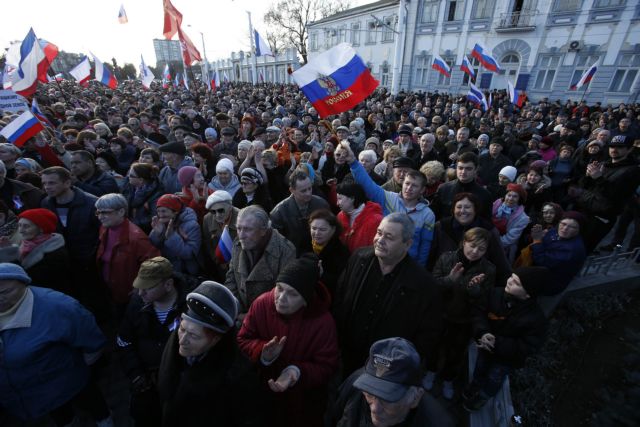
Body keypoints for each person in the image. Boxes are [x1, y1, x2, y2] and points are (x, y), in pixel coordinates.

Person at [0, 263, 111, 426]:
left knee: (91, 402)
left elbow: (89, 335)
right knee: (61, 416)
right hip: (35, 393)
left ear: (24, 284)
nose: (0, 298)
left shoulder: (55, 306)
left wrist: (87, 364)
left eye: (6, 292)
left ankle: (105, 421)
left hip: (68, 380)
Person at [334, 213, 442, 376]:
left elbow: (427, 333)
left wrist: (401, 363)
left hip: (387, 368)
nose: (380, 240)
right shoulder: (358, 258)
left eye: (389, 237)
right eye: (379, 232)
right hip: (348, 354)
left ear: (407, 244)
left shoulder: (424, 285)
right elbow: (341, 297)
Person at [237, 255, 339, 427]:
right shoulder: (262, 303)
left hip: (301, 405)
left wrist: (296, 372)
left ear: (306, 299)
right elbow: (242, 339)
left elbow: (327, 366)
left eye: (292, 294)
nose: (281, 298)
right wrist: (262, 352)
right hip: (261, 396)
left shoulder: (323, 321)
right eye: (279, 288)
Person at [157, 281, 266, 427]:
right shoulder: (174, 347)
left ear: (216, 339)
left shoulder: (237, 377)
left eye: (194, 336)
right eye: (182, 329)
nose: (182, 340)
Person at [464, 267, 549, 411]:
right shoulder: (495, 294)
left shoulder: (535, 320)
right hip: (485, 349)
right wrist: (483, 333)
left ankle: (482, 397)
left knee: (494, 379)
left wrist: (497, 343)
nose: (509, 281)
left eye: (516, 283)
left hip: (505, 360)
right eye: (511, 277)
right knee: (480, 367)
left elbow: (528, 346)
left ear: (528, 294)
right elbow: (479, 312)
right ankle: (475, 385)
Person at [117, 257, 186, 427]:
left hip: (182, 386)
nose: (140, 293)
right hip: (148, 385)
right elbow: (124, 341)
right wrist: (136, 375)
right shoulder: (136, 304)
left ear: (168, 285)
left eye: (147, 288)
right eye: (139, 287)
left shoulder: (190, 305)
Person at [428, 228, 496, 399]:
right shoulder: (446, 258)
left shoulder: (488, 270)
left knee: (456, 353)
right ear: (464, 242)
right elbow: (432, 287)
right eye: (472, 245)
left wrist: (474, 290)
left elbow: (483, 302)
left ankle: (448, 379)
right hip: (441, 314)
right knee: (434, 346)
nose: (475, 252)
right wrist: (449, 280)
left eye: (481, 249)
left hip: (464, 321)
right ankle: (430, 371)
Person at [346, 142, 436, 266]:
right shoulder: (388, 198)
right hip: (382, 258)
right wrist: (353, 162)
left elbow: (425, 245)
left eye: (414, 186)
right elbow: (367, 184)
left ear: (422, 190)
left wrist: (419, 269)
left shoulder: (427, 214)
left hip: (408, 265)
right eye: (407, 184)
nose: (409, 188)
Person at [334, 337, 454, 427]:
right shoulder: (355, 383)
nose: (375, 408)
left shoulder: (439, 423)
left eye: (387, 399)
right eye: (369, 394)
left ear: (416, 397)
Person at [571, 134, 640, 252]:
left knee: (581, 249)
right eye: (612, 146)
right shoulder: (604, 164)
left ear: (629, 149)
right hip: (585, 208)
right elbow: (585, 186)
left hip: (601, 217)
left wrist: (598, 178)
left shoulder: (633, 170)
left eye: (620, 147)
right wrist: (588, 176)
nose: (614, 149)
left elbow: (616, 195)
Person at [225, 205, 296, 318]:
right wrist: (235, 309)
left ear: (263, 230)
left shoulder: (285, 250)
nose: (241, 235)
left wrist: (250, 317)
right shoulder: (237, 243)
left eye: (248, 229)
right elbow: (231, 278)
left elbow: (282, 295)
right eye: (239, 228)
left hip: (266, 318)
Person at [95, 194, 160, 313]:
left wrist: (140, 286)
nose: (100, 217)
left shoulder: (136, 238)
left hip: (127, 295)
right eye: (98, 213)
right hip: (110, 289)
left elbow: (154, 264)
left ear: (121, 212)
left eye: (105, 213)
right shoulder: (105, 228)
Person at [430, 192, 512, 283]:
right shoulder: (441, 226)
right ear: (453, 209)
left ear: (475, 210)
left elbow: (499, 259)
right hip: (444, 279)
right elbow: (431, 254)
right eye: (459, 207)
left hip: (477, 281)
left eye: (467, 207)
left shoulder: (488, 229)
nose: (462, 211)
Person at [270, 171, 330, 255]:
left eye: (310, 188)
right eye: (303, 191)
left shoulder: (322, 204)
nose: (308, 193)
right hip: (292, 256)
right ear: (291, 190)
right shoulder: (279, 212)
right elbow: (275, 243)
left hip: (320, 255)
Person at [16, 208, 72, 296]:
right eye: (19, 225)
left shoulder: (56, 254)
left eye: (26, 226)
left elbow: (27, 279)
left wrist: (9, 256)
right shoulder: (24, 244)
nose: (20, 230)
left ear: (41, 229)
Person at [530, 211, 587, 295]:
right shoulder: (556, 230)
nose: (565, 229)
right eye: (563, 224)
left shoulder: (572, 250)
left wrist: (537, 241)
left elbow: (542, 260)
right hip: (540, 270)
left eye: (572, 227)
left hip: (549, 283)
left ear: (579, 230)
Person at [149, 194, 201, 276]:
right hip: (168, 269)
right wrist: (158, 234)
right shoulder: (162, 222)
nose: (161, 215)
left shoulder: (192, 226)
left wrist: (171, 237)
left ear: (175, 211)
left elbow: (189, 253)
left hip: (186, 271)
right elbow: (153, 247)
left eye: (164, 211)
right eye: (158, 211)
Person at [432, 152, 494, 220]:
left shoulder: (485, 195)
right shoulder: (443, 189)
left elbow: (486, 222)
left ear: (475, 170)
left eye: (468, 169)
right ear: (456, 168)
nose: (463, 172)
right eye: (460, 168)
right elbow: (434, 215)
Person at [308, 209, 350, 296]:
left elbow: (342, 283)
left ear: (333, 229)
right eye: (314, 228)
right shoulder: (304, 244)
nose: (317, 233)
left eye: (322, 230)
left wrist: (322, 274)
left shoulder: (341, 252)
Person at [336, 181, 383, 253]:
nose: (337, 203)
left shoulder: (375, 221)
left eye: (340, 198)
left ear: (352, 198)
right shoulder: (340, 216)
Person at [201, 191, 239, 281]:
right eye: (213, 211)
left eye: (221, 210)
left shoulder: (241, 217)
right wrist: (217, 260)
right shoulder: (207, 219)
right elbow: (208, 243)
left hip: (240, 264)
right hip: (221, 265)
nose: (217, 215)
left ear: (230, 207)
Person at [492, 184, 530, 263]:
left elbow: (510, 238)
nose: (510, 198)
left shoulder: (523, 218)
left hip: (503, 248)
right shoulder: (497, 204)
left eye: (515, 196)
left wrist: (492, 244)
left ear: (519, 199)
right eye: (509, 195)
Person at [123, 162, 164, 234]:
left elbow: (154, 218)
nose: (128, 176)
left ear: (141, 180)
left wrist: (132, 224)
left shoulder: (157, 194)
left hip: (145, 232)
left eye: (131, 175)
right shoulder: (130, 187)